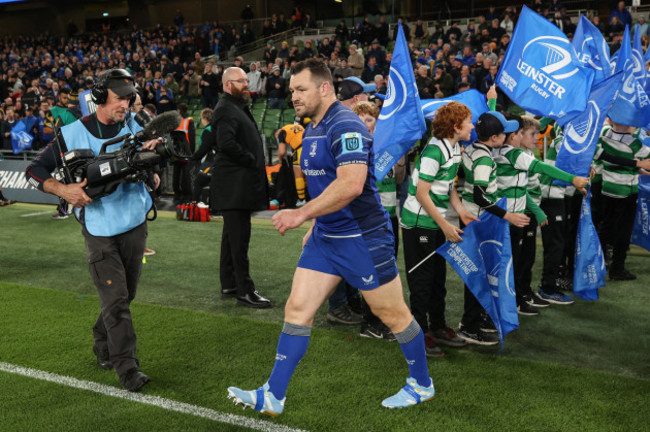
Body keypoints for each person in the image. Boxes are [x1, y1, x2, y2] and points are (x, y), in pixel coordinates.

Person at [227, 58, 434, 416]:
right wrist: (313, 226)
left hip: (362, 238)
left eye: (301, 89)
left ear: (324, 88)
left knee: (392, 314)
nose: (294, 96)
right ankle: (274, 394)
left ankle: (421, 383)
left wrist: (301, 214)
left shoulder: (346, 124)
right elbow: (324, 185)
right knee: (297, 309)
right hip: (327, 237)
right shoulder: (313, 127)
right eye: (292, 90)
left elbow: (351, 184)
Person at [25, 69, 163, 392]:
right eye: (120, 99)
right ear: (100, 98)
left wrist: (153, 173)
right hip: (99, 229)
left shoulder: (133, 124)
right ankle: (127, 368)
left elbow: (149, 161)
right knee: (116, 300)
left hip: (135, 224)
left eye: (130, 99)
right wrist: (64, 191)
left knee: (126, 295)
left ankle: (102, 341)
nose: (126, 106)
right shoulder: (72, 133)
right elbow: (34, 170)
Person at [401, 101, 477, 355]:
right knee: (422, 282)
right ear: (456, 126)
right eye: (468, 121)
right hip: (419, 223)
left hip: (435, 222)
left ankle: (438, 327)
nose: (472, 125)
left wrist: (461, 210)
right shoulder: (434, 151)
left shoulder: (454, 148)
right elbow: (423, 194)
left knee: (437, 279)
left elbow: (448, 185)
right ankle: (419, 334)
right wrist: (445, 224)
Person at [458, 110, 530, 344]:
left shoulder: (473, 149)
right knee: (479, 273)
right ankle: (469, 324)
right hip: (480, 220)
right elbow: (480, 195)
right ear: (495, 138)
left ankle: (477, 317)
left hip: (474, 218)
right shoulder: (484, 158)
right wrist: (507, 215)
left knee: (480, 272)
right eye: (503, 132)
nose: (507, 134)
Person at [212, 67, 270, 308]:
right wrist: (250, 159)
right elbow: (225, 143)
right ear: (227, 85)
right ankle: (245, 290)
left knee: (231, 237)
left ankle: (229, 283)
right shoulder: (226, 108)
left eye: (247, 80)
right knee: (239, 240)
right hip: (235, 185)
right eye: (240, 81)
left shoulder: (234, 106)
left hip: (236, 185)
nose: (246, 84)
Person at [190, 108, 216, 203]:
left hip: (211, 162)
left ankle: (195, 205)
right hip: (217, 161)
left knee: (199, 182)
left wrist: (194, 158)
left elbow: (204, 149)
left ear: (204, 118)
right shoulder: (216, 128)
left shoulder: (208, 131)